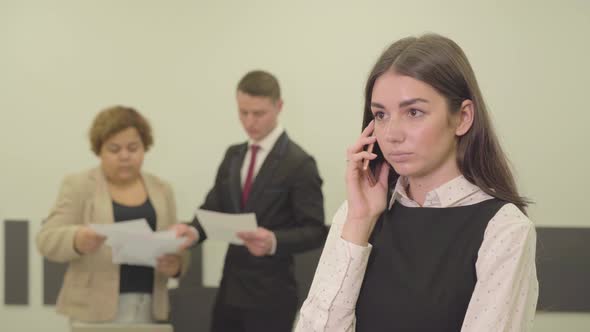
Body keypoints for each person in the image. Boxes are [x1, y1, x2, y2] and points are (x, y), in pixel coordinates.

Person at [296, 34, 539, 332]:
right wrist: (359, 222)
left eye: (414, 112)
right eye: (381, 115)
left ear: (463, 117)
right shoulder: (356, 214)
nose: (392, 134)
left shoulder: (504, 229)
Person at [175, 70, 327, 331]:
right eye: (243, 112)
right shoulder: (234, 156)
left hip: (272, 295)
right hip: (229, 291)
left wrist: (273, 241)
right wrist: (191, 231)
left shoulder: (299, 163)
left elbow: (314, 230)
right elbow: (212, 208)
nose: (249, 121)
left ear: (278, 107)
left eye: (258, 113)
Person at [36, 106, 189, 324]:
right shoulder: (78, 185)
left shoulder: (162, 189)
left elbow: (176, 244)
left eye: (133, 148)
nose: (125, 156)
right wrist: (77, 239)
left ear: (145, 148)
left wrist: (176, 265)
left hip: (150, 308)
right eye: (114, 149)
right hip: (93, 311)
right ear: (100, 151)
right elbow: (46, 240)